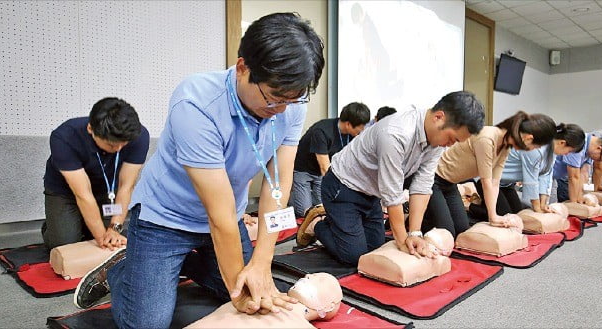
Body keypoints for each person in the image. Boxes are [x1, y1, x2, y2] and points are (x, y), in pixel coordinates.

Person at [74, 12, 325, 329]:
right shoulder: (196, 103)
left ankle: (187, 262)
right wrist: (241, 293)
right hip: (164, 220)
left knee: (263, 292)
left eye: (292, 99)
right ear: (242, 67)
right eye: (273, 98)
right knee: (149, 323)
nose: (281, 109)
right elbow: (217, 213)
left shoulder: (290, 101)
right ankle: (124, 270)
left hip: (226, 220)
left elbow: (278, 183)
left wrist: (261, 263)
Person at [297, 91, 485, 266]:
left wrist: (415, 233)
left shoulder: (437, 142)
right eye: (452, 138)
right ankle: (318, 224)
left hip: (370, 192)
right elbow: (392, 193)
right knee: (354, 256)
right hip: (343, 187)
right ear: (439, 117)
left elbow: (422, 186)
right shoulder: (396, 133)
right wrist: (404, 242)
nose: (451, 145)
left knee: (376, 249)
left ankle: (339, 224)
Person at [423, 111, 557, 238]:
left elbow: (495, 182)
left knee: (461, 230)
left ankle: (428, 212)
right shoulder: (487, 138)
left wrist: (495, 215)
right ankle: (417, 217)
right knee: (448, 232)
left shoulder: (506, 145)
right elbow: (486, 181)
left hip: (450, 185)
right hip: (434, 180)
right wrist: (492, 216)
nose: (534, 150)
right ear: (528, 138)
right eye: (536, 146)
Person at [42, 97, 149, 250]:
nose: (119, 149)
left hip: (107, 190)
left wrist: (115, 228)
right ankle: (53, 225)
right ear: (91, 129)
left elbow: (126, 186)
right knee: (65, 243)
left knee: (111, 234)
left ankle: (83, 223)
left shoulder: (138, 137)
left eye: (123, 144)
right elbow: (83, 194)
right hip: (65, 192)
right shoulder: (65, 137)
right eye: (111, 144)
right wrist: (101, 239)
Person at [468, 123, 585, 220]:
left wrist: (543, 204)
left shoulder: (552, 151)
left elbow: (546, 175)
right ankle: (469, 206)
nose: (567, 155)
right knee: (504, 215)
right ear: (562, 143)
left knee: (517, 214)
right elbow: (531, 180)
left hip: (506, 184)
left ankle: (482, 203)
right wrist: (537, 208)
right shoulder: (537, 148)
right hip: (488, 179)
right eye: (569, 151)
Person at [289, 102, 370, 217]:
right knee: (305, 212)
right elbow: (324, 167)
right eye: (360, 127)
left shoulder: (352, 135)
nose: (362, 130)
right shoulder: (322, 131)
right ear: (348, 124)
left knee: (325, 208)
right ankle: (292, 197)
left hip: (322, 174)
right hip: (304, 170)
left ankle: (305, 196)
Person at [185, 272, 342, 328]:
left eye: (319, 279)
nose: (307, 276)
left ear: (329, 306)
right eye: (310, 275)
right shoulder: (252, 298)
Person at [553, 132, 602, 203]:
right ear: (599, 148)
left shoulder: (590, 150)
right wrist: (574, 202)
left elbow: (584, 174)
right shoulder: (578, 143)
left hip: (553, 178)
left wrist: (581, 196)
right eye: (600, 159)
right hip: (546, 175)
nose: (597, 161)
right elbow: (574, 176)